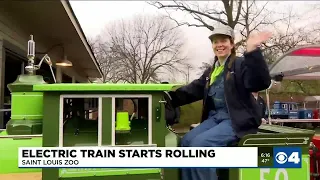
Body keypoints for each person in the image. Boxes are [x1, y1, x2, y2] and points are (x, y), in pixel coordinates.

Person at [163, 24, 272, 180]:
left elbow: (259, 82)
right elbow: (193, 90)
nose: (219, 45)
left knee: (200, 146)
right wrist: (168, 98)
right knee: (186, 142)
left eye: (223, 41)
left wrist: (252, 51)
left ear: (232, 44)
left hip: (236, 120)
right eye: (215, 42)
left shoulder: (240, 64)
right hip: (215, 118)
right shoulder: (212, 70)